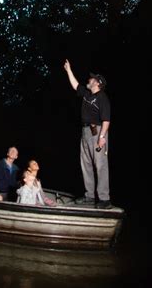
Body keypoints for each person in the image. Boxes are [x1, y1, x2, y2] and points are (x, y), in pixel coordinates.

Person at [64, 59, 112, 209]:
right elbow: (75, 85)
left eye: (91, 79)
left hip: (97, 132)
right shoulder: (86, 94)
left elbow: (106, 120)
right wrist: (68, 70)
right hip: (85, 132)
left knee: (101, 166)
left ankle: (104, 199)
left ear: (97, 83)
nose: (89, 80)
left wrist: (102, 137)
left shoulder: (102, 98)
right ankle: (89, 197)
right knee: (86, 165)